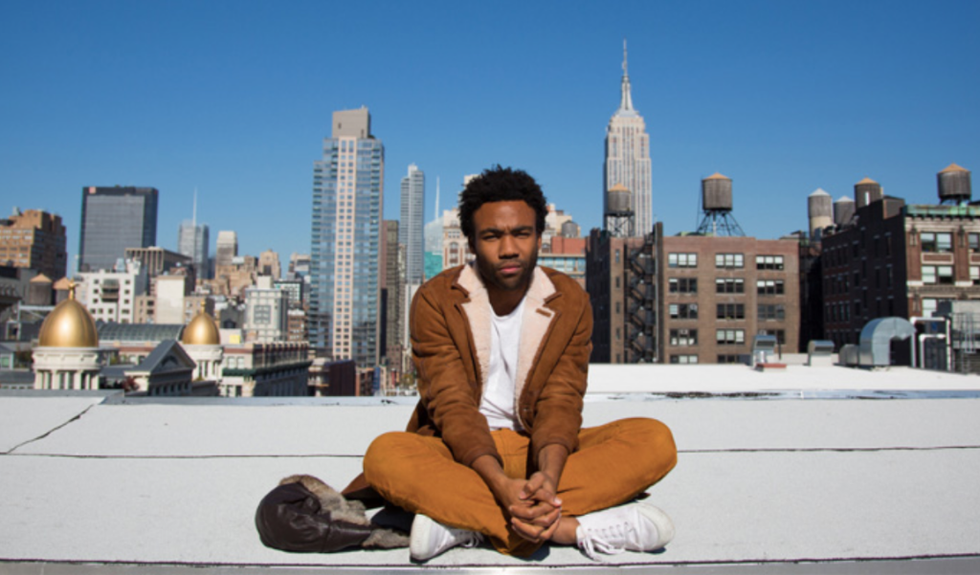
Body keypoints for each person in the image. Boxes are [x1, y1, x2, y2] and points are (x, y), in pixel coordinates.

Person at [362, 166, 677, 561]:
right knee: (385, 455)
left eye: (522, 234)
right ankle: (567, 528)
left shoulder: (568, 299)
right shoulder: (435, 299)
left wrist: (548, 476)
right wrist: (498, 482)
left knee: (654, 440)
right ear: (472, 242)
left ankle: (465, 520)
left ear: (539, 237)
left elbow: (562, 400)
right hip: (461, 454)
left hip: (539, 448)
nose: (508, 248)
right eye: (492, 236)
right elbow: (452, 406)